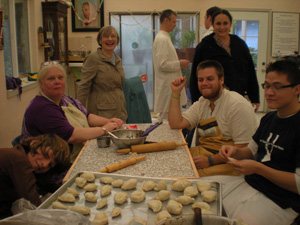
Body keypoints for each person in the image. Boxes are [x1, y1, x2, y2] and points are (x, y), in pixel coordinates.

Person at [207, 60, 300, 225]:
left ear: (297, 89)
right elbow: (251, 150)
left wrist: (258, 168)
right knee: (202, 195)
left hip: (280, 200)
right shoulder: (269, 118)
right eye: (267, 86)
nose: (269, 93)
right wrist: (235, 151)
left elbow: (298, 184)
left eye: (277, 87)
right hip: (251, 183)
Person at [169, 60, 258, 177]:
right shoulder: (203, 102)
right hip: (205, 152)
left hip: (231, 163)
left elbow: (244, 151)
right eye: (201, 80)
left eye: (210, 79)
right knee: (171, 162)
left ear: (221, 80)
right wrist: (176, 93)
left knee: (185, 176)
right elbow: (176, 123)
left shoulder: (237, 105)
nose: (204, 83)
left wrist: (210, 160)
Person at [21, 61, 123, 163]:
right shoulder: (42, 108)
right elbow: (72, 136)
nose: (57, 82)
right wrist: (104, 129)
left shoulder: (65, 99)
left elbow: (86, 116)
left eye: (60, 78)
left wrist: (109, 121)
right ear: (41, 84)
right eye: (51, 79)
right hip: (52, 166)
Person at [190, 9, 260, 112]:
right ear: (213, 25)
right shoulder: (204, 47)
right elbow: (195, 76)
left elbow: (250, 71)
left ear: (230, 24)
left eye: (225, 23)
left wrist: (255, 98)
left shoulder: (239, 44)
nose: (222, 27)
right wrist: (195, 103)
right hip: (213, 99)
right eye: (218, 24)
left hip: (237, 97)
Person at [0, 133, 70, 219]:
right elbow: (35, 206)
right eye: (46, 155)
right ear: (33, 144)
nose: (44, 164)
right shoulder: (18, 160)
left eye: (50, 165)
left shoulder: (22, 156)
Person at [77, 25, 127, 122]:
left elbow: (117, 83)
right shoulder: (93, 59)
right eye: (106, 36)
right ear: (100, 40)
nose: (110, 39)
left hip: (120, 111)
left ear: (117, 40)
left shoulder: (117, 59)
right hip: (102, 113)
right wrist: (80, 113)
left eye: (113, 36)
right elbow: (83, 87)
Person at [153, 9, 190, 122]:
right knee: (166, 120)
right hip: (167, 86)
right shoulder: (162, 39)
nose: (175, 25)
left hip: (169, 85)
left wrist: (179, 63)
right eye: (173, 22)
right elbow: (162, 64)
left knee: (169, 117)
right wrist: (180, 64)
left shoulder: (165, 37)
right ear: (166, 20)